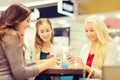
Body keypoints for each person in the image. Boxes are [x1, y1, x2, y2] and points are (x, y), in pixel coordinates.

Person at [0, 3, 60, 80]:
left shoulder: (5, 34)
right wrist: (46, 65)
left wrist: (42, 62)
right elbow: (20, 73)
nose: (29, 25)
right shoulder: (12, 35)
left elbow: (20, 65)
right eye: (27, 21)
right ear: (17, 19)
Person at [67, 15, 117, 79]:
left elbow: (107, 74)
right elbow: (81, 68)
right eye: (86, 31)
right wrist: (72, 66)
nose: (88, 34)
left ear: (99, 30)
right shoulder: (86, 47)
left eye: (91, 30)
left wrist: (85, 67)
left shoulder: (109, 46)